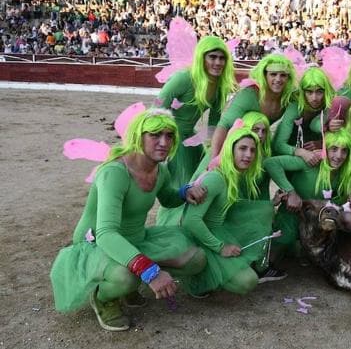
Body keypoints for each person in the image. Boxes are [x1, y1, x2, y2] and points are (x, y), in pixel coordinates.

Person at [50, 109, 208, 331]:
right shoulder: (115, 172)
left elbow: (168, 198)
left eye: (169, 135)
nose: (164, 142)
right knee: (127, 278)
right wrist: (150, 271)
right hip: (98, 244)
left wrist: (185, 192)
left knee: (196, 259)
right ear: (138, 136)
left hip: (136, 238)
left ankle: (134, 274)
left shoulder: (160, 170)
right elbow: (106, 233)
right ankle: (104, 298)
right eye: (154, 135)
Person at [156, 36, 237, 225]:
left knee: (199, 180)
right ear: (202, 57)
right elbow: (157, 108)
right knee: (182, 185)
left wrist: (214, 149)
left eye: (222, 58)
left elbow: (216, 123)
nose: (217, 62)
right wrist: (165, 141)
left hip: (191, 139)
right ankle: (169, 226)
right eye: (212, 57)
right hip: (173, 137)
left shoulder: (220, 86)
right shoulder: (184, 78)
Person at [181, 126, 265, 295]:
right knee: (247, 281)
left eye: (252, 150)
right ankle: (196, 277)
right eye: (242, 148)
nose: (248, 155)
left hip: (219, 230)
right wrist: (220, 248)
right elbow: (189, 221)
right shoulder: (216, 178)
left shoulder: (235, 175)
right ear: (230, 149)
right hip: (199, 237)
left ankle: (214, 270)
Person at [263, 129, 351, 262]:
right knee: (285, 239)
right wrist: (291, 191)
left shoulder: (345, 171)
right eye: (334, 149)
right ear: (325, 149)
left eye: (344, 150)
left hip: (318, 216)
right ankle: (265, 265)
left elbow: (335, 199)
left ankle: (316, 249)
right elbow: (270, 163)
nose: (338, 155)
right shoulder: (313, 161)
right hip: (294, 211)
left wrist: (350, 198)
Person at [209, 54, 297, 160]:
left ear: (288, 78)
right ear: (264, 76)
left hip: (256, 150)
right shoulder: (249, 94)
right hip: (228, 147)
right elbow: (224, 125)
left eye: (283, 75)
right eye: (273, 74)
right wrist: (214, 158)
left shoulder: (289, 97)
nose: (278, 79)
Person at [272, 67, 335, 165]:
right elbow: (278, 145)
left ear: (325, 91)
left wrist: (322, 143)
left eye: (319, 92)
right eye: (309, 92)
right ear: (303, 92)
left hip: (321, 159)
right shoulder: (295, 107)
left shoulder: (331, 105)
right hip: (290, 158)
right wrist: (301, 152)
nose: (314, 98)